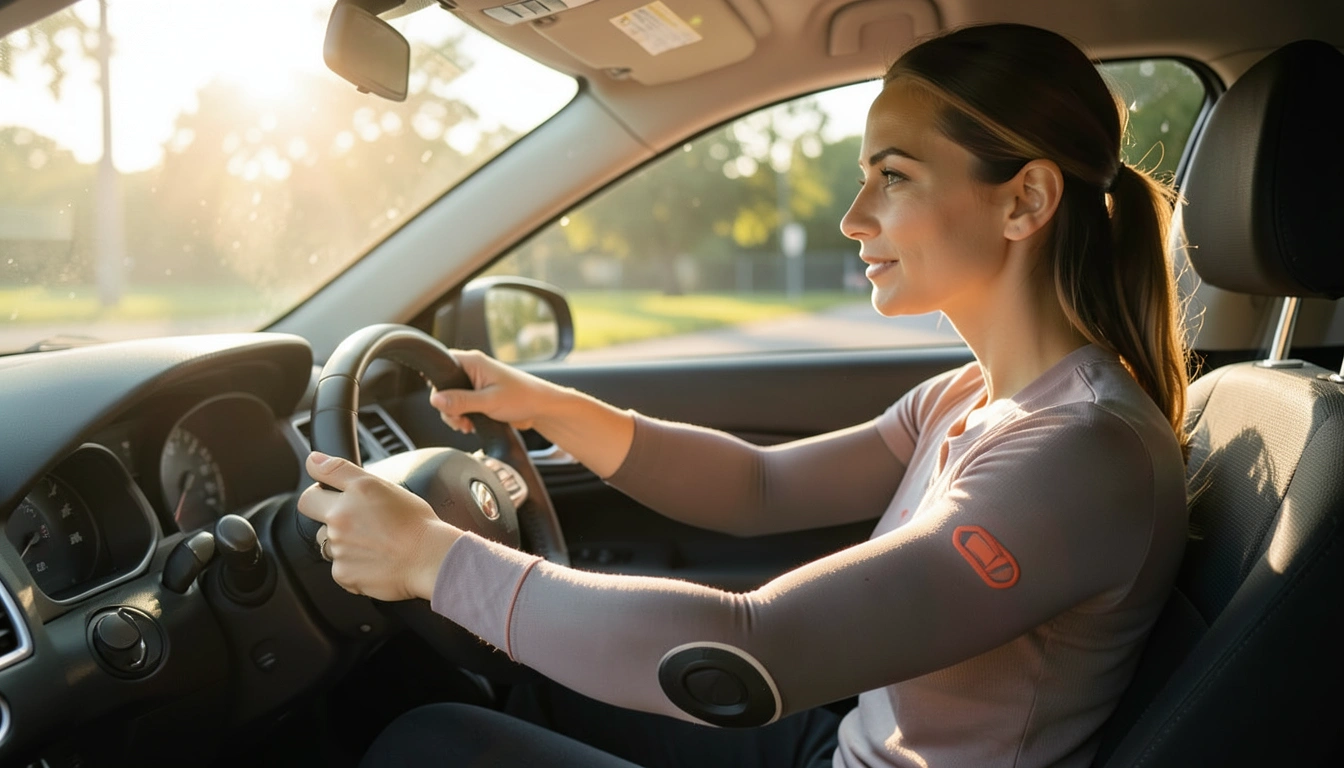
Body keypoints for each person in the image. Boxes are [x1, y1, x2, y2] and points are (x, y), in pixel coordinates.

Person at [298, 22, 1190, 768]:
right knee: (516, 687)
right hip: (843, 746)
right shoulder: (970, 397)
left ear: (1024, 200)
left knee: (435, 744)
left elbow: (751, 652)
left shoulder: (1080, 452)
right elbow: (760, 487)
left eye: (894, 175)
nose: (853, 217)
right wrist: (550, 406)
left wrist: (434, 561)